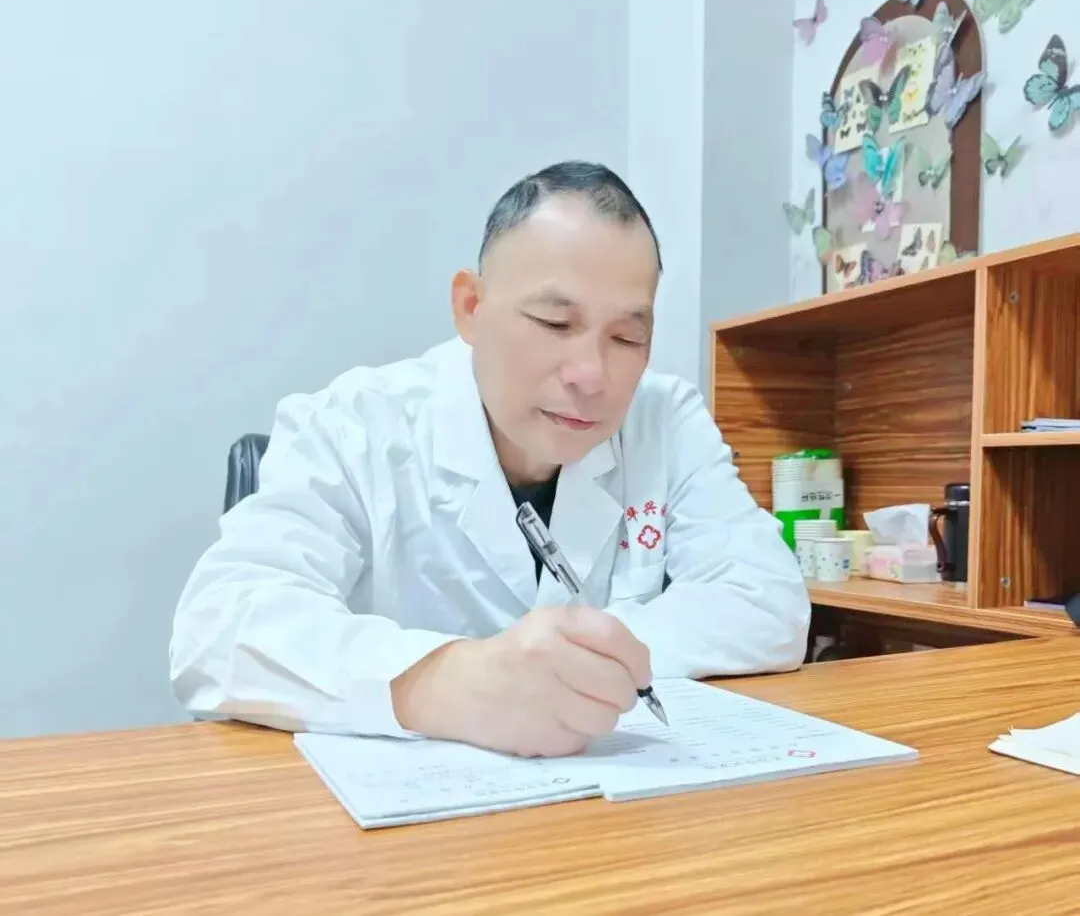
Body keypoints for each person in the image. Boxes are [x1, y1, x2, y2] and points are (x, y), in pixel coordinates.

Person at [169, 160, 810, 758]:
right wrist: (444, 682)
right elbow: (219, 629)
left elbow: (767, 603)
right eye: (554, 323)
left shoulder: (664, 419)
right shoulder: (353, 424)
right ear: (471, 308)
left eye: (626, 336)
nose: (591, 374)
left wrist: (580, 664)